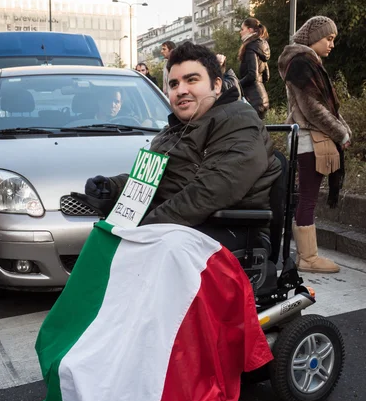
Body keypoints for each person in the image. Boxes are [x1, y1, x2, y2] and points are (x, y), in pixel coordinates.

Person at [85, 42, 281, 252]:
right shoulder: (172, 131)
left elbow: (209, 192)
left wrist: (142, 230)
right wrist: (112, 187)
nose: (181, 90)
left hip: (232, 233)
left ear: (216, 85)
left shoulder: (238, 121)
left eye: (192, 80)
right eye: (174, 84)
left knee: (126, 253)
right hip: (185, 228)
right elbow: (152, 181)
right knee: (99, 244)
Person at [278, 16, 351, 273]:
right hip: (310, 139)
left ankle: (306, 256)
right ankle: (308, 258)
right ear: (313, 37)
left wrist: (342, 129)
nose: (331, 44)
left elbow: (323, 105)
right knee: (307, 199)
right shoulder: (302, 63)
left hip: (308, 138)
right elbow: (312, 108)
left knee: (305, 198)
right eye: (328, 38)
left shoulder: (305, 62)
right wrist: (341, 133)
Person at [238, 18, 270, 119]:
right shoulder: (260, 46)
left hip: (252, 100)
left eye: (242, 29)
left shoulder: (250, 47)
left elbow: (252, 75)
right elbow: (266, 76)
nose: (240, 32)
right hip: (262, 98)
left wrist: (236, 84)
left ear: (250, 30)